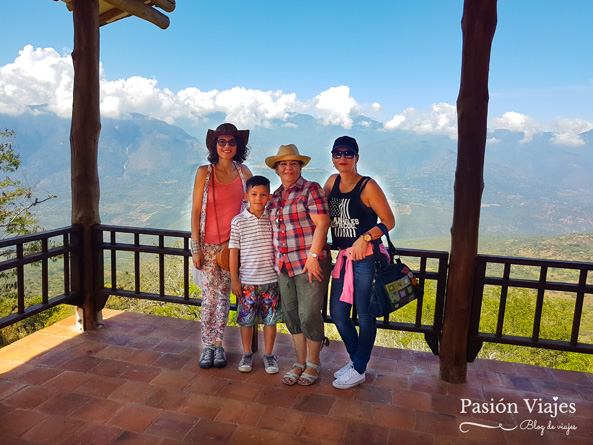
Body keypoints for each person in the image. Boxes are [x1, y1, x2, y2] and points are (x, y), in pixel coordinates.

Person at [323, 136, 395, 389]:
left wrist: (365, 238)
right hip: (343, 258)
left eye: (348, 154)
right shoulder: (332, 182)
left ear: (356, 157)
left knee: (364, 315)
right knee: (338, 313)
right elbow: (317, 211)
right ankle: (357, 362)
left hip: (365, 259)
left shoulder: (367, 186)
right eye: (337, 153)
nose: (342, 158)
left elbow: (388, 220)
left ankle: (359, 366)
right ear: (332, 157)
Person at [265, 144, 331, 386]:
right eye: (283, 164)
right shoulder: (275, 197)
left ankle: (313, 363)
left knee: (309, 313)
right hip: (283, 265)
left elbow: (322, 224)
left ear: (300, 166)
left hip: (309, 263)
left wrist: (313, 257)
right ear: (277, 169)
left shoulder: (310, 190)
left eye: (293, 163)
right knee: (292, 314)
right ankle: (299, 361)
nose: (288, 167)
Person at [191, 123, 253, 369]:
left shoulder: (243, 172)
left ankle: (219, 344)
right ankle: (209, 346)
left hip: (233, 249)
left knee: (225, 298)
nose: (227, 146)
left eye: (231, 142)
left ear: (238, 147)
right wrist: (195, 248)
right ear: (214, 146)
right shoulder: (204, 173)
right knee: (209, 298)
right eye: (222, 142)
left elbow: (258, 201)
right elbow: (196, 211)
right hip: (207, 246)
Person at [229, 175, 282, 374]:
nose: (258, 199)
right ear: (246, 196)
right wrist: (235, 279)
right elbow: (234, 251)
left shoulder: (273, 219)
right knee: (246, 320)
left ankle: (269, 355)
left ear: (269, 197)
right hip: (247, 282)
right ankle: (247, 353)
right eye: (254, 194)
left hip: (270, 280)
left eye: (263, 195)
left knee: (271, 320)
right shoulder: (238, 222)